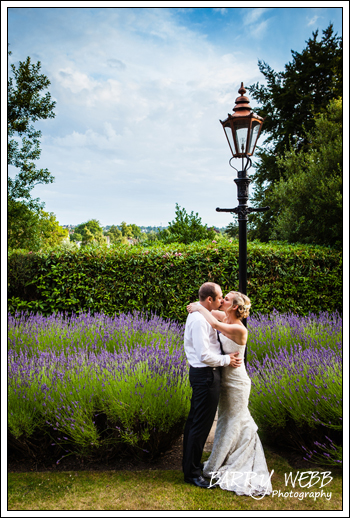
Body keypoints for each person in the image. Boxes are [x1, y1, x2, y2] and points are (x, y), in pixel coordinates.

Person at [187, 291, 272, 496]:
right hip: (223, 379)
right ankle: (222, 458)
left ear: (234, 306)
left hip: (236, 382)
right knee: (226, 420)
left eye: (226, 299)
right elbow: (206, 309)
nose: (222, 300)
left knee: (236, 420)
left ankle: (234, 460)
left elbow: (213, 324)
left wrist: (199, 308)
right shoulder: (223, 316)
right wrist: (199, 305)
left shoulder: (238, 329)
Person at [182, 282, 242, 489]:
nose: (221, 301)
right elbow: (204, 355)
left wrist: (198, 306)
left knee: (195, 423)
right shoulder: (199, 320)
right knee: (199, 425)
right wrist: (227, 361)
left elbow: (215, 328)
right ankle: (192, 474)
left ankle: (190, 466)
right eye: (219, 298)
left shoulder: (204, 315)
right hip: (206, 375)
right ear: (210, 300)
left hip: (205, 375)